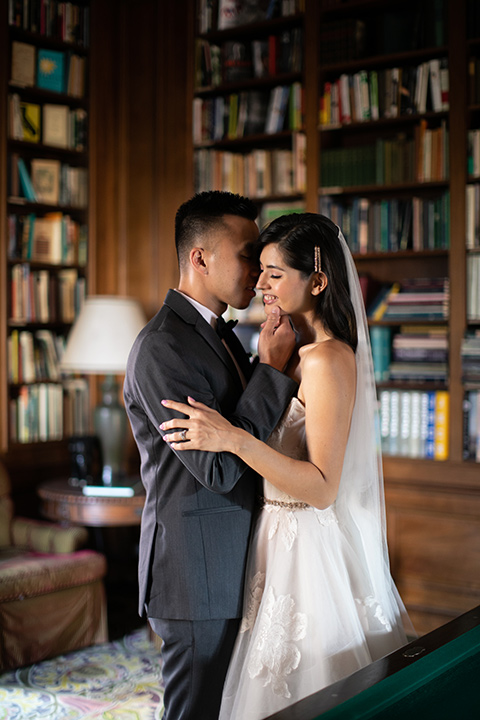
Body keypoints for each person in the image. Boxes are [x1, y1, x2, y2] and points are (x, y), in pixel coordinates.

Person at [160, 212, 414, 719]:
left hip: (307, 545)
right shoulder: (291, 353)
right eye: (260, 271)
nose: (260, 284)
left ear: (317, 281)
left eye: (274, 274)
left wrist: (232, 439)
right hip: (270, 539)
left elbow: (322, 488)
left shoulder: (326, 360)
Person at [123, 191, 298, 720]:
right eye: (247, 254)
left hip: (230, 563)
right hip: (195, 575)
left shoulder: (219, 333)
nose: (259, 271)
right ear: (199, 258)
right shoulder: (162, 348)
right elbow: (219, 466)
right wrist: (269, 371)